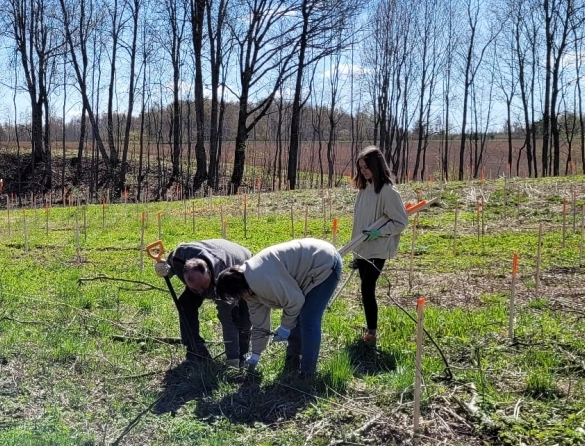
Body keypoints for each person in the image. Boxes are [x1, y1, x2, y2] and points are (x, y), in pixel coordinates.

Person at [214, 238, 344, 379]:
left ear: (238, 288)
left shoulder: (261, 279)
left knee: (308, 319)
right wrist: (255, 355)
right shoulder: (250, 291)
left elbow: (295, 301)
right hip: (307, 270)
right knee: (296, 316)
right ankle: (292, 362)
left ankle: (308, 373)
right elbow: (259, 324)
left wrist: (285, 327)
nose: (239, 299)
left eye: (236, 296)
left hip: (323, 263)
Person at [153, 239, 253, 367]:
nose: (201, 292)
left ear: (209, 273)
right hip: (211, 253)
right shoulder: (179, 257)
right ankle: (195, 350)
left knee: (239, 316)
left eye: (204, 287)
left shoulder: (223, 274)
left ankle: (241, 356)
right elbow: (169, 267)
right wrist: (165, 268)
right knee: (185, 304)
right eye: (196, 289)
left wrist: (232, 358)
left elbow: (227, 318)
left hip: (240, 263)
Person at [349, 146, 409, 344]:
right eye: (361, 168)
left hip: (378, 248)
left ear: (377, 165)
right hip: (362, 248)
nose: (364, 171)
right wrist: (355, 252)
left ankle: (372, 333)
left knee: (368, 287)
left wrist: (379, 232)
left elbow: (401, 222)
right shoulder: (364, 189)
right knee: (364, 289)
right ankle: (369, 328)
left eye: (367, 167)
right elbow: (359, 222)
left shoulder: (388, 192)